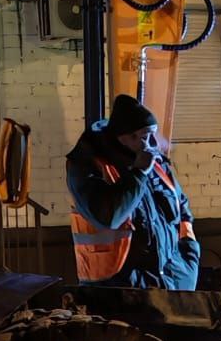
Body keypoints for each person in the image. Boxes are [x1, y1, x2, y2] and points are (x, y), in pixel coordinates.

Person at [67, 93, 200, 290]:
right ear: (126, 137)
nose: (153, 143)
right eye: (147, 136)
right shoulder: (87, 166)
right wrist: (139, 172)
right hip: (118, 289)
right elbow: (110, 215)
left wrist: (189, 261)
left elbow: (182, 208)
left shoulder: (154, 162)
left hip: (171, 281)